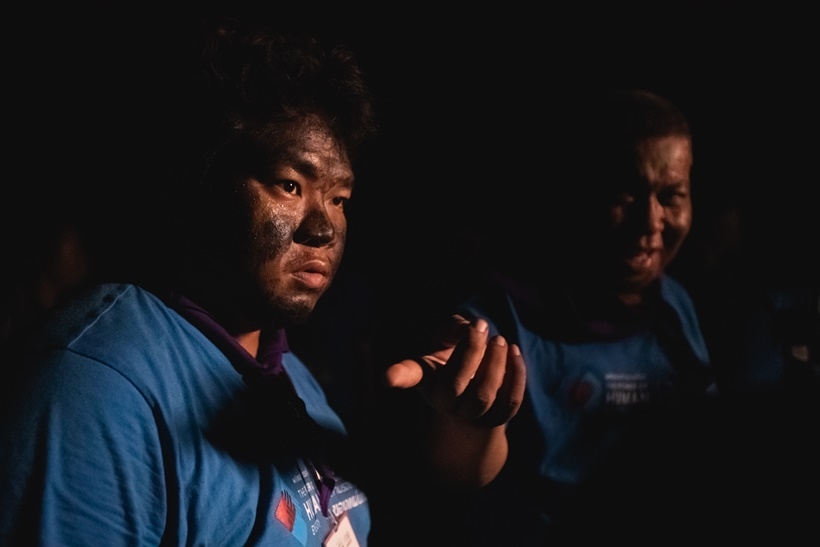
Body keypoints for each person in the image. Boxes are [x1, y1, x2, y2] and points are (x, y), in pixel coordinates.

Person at [0, 11, 526, 546]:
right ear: (193, 184)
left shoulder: (286, 373)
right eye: (290, 185)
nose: (323, 229)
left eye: (339, 198)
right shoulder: (96, 387)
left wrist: (468, 422)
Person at [433, 87, 718, 543]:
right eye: (625, 193)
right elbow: (460, 473)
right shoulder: (501, 319)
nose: (650, 222)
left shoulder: (673, 305)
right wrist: (467, 421)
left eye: (671, 196)